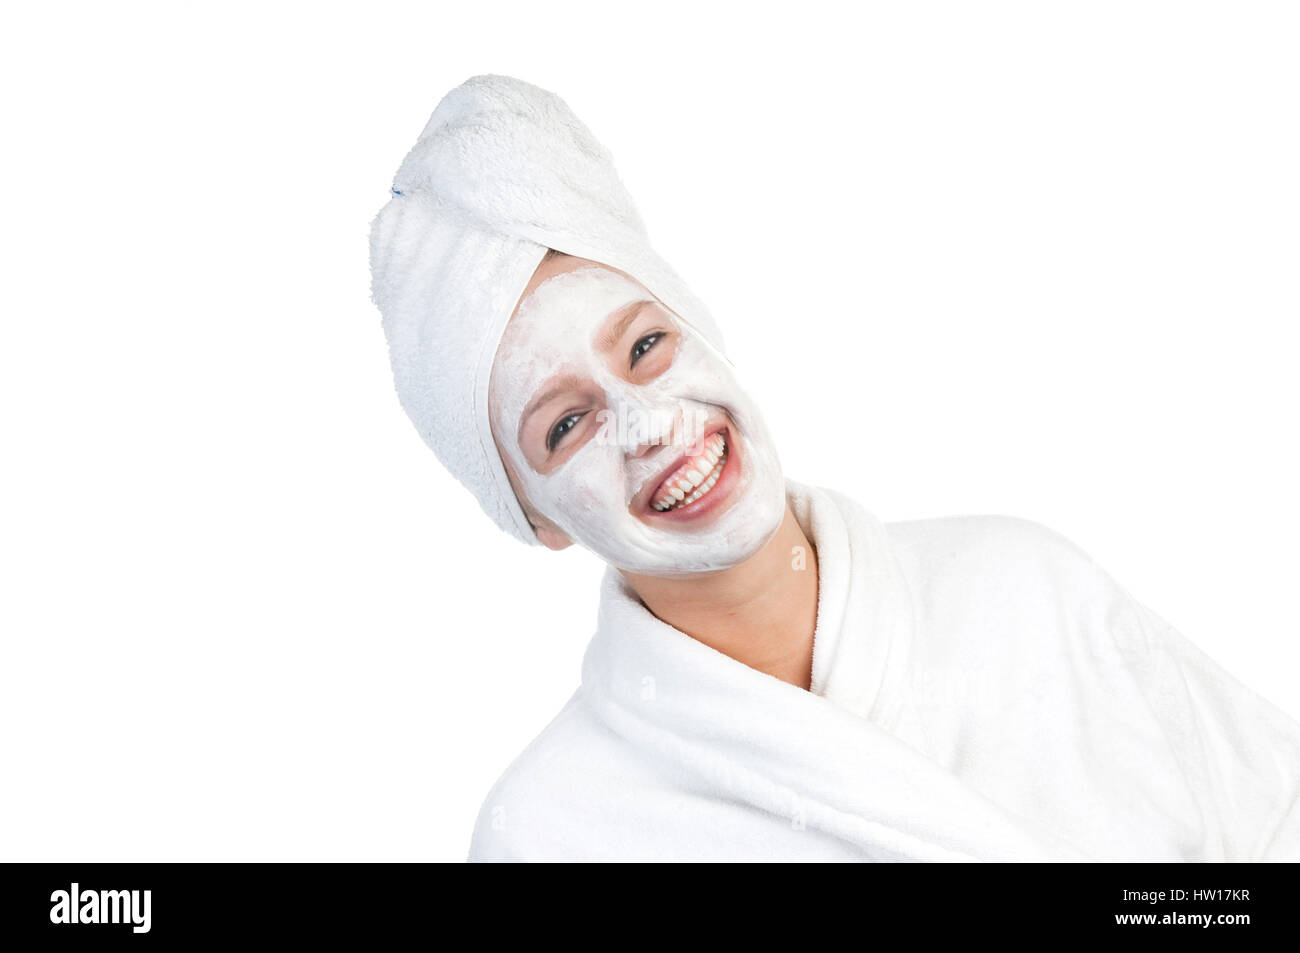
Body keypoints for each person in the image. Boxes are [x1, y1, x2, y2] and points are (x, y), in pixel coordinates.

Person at [368, 74, 1300, 862]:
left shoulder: (1024, 585)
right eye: (566, 423)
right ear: (532, 514)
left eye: (647, 344)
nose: (647, 424)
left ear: (704, 334)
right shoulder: (552, 829)